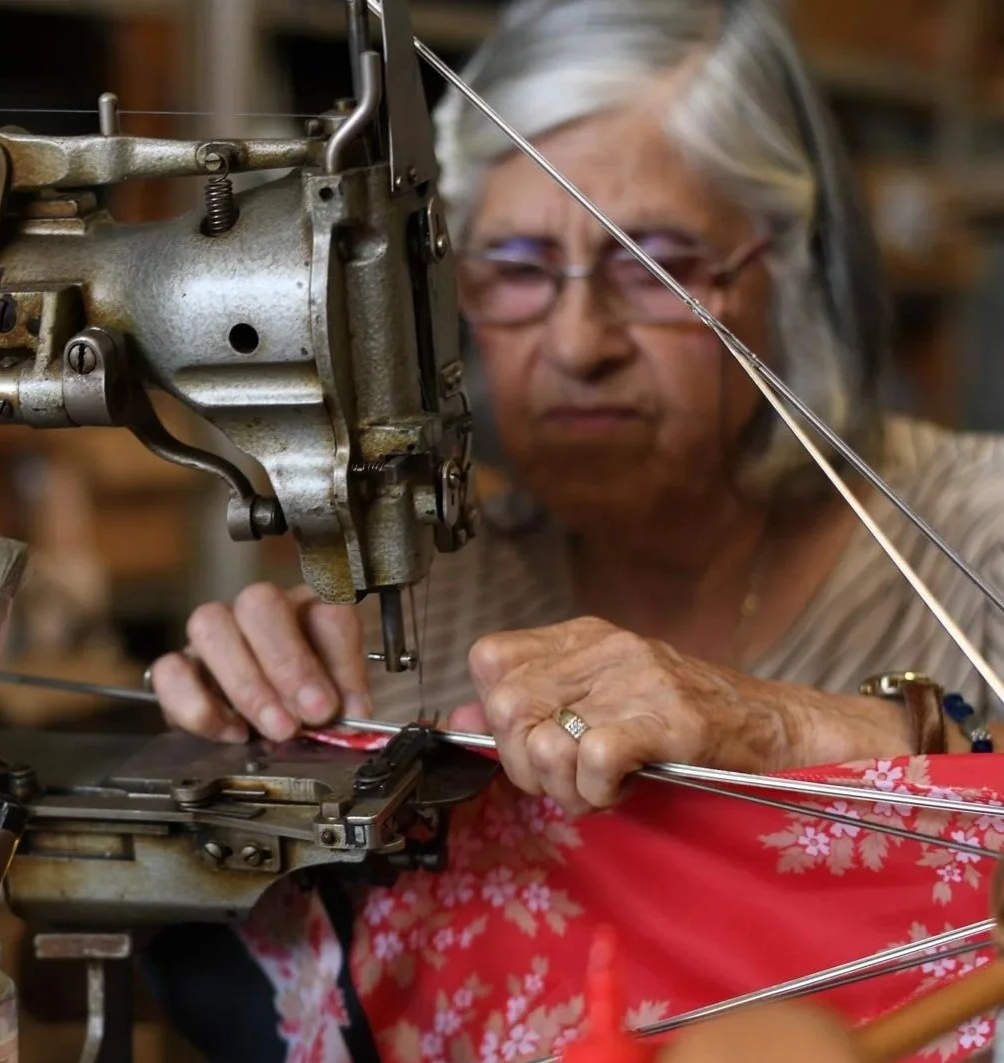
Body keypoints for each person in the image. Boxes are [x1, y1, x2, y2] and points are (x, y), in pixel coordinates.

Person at [149, 0, 1004, 814]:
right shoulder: (426, 610)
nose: (574, 345)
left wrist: (795, 730)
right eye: (516, 268)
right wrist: (259, 708)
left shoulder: (977, 539)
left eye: (654, 265)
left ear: (788, 280)